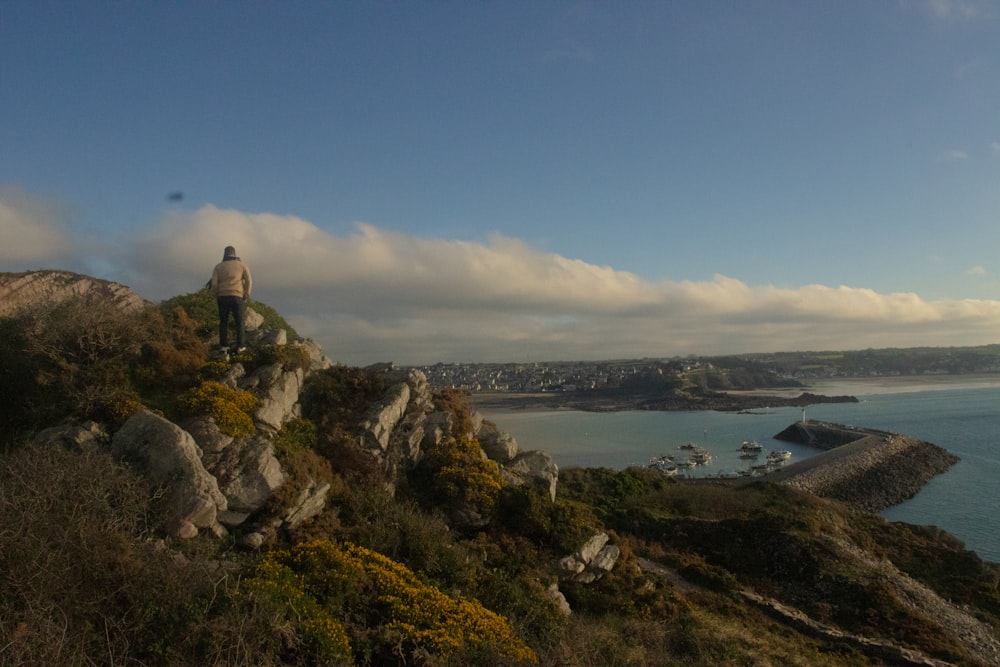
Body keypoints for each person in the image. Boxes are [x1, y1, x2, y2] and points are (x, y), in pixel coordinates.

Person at [210, 245, 252, 352]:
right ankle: (241, 346)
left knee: (223, 322)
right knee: (239, 322)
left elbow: (214, 284)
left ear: (224, 254)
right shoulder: (242, 265)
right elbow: (249, 281)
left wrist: (215, 296)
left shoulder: (218, 267)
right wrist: (246, 295)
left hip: (222, 297)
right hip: (237, 296)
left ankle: (224, 346)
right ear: (234, 253)